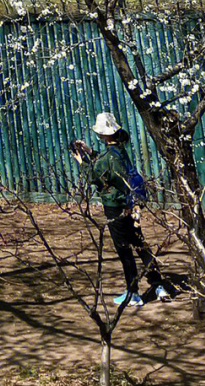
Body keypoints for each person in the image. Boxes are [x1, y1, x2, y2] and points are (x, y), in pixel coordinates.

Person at [71, 110, 172, 307]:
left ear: (103, 134)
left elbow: (94, 175)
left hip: (115, 206)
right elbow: (110, 163)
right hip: (131, 204)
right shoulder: (120, 149)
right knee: (140, 244)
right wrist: (91, 152)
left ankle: (133, 292)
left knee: (124, 249)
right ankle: (159, 285)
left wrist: (81, 161)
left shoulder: (109, 156)